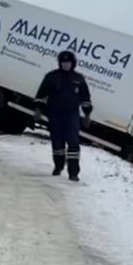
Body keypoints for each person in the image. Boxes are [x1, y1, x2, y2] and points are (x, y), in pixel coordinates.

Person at [34, 50, 92, 181]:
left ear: (73, 63)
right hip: (54, 114)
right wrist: (38, 109)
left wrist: (87, 114)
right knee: (57, 142)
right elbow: (41, 95)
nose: (66, 65)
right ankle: (58, 166)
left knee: (73, 142)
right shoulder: (51, 77)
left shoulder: (79, 79)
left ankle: (73, 172)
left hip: (72, 115)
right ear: (60, 63)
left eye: (68, 62)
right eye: (63, 62)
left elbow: (85, 98)